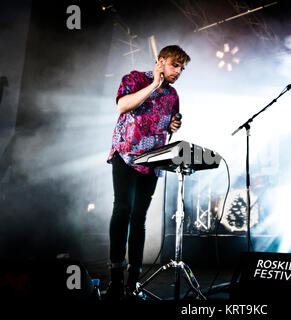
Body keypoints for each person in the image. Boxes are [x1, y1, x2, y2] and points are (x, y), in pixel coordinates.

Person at [105, 45, 190, 300]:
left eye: (182, 68)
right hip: (126, 155)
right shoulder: (134, 78)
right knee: (122, 210)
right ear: (161, 61)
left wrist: (174, 124)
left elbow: (167, 128)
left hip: (152, 161)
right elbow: (122, 106)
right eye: (175, 65)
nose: (178, 71)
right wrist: (153, 84)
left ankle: (133, 284)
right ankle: (115, 282)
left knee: (139, 219)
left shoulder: (173, 94)